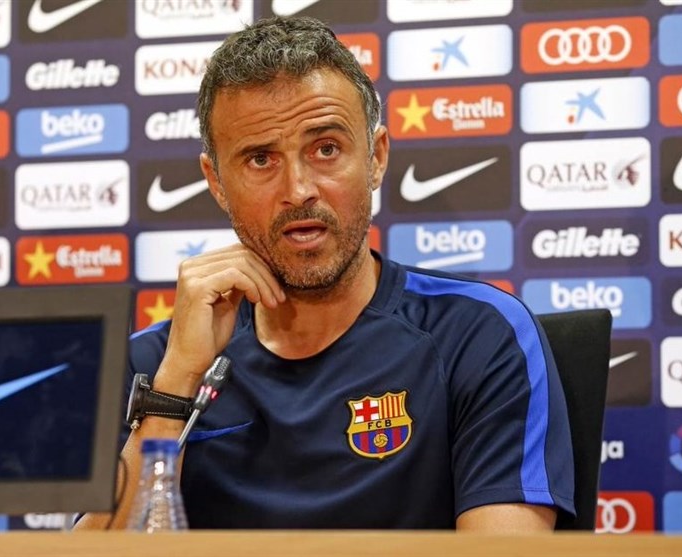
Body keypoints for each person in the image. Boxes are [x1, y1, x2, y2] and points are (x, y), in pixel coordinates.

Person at [76, 15, 574, 531]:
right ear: (217, 182)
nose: (298, 190)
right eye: (260, 159)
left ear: (376, 158)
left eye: (326, 149)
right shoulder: (156, 365)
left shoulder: (478, 335)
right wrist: (176, 387)